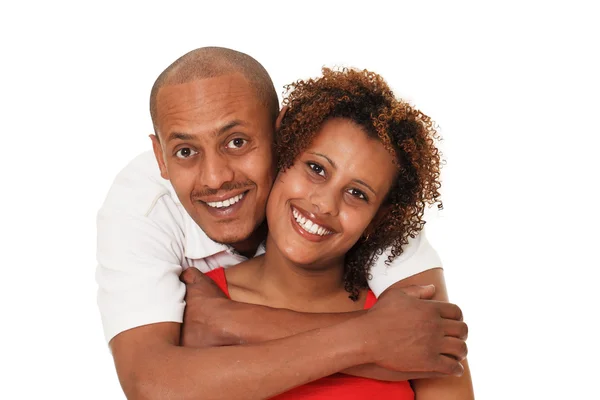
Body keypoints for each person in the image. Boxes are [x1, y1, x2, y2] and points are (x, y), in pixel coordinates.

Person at [96, 47, 468, 399]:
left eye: (237, 142)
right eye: (186, 151)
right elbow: (153, 383)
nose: (214, 178)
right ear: (160, 157)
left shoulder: (381, 211)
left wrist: (236, 322)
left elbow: (432, 343)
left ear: (282, 135)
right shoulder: (145, 213)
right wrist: (373, 340)